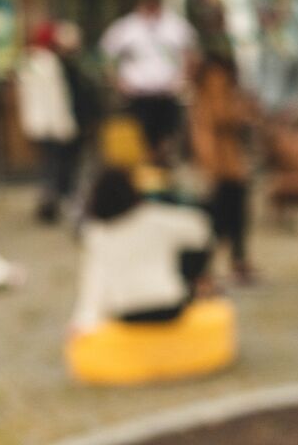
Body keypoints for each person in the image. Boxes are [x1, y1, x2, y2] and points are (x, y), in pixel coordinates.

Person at [70, 169, 211, 333]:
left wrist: (84, 321)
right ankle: (198, 287)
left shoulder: (97, 233)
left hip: (128, 310)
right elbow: (202, 228)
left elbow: (95, 281)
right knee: (191, 246)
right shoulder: (154, 218)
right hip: (169, 304)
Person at [99, 0, 198, 165]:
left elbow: (191, 55)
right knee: (140, 142)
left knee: (166, 142)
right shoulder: (126, 27)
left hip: (167, 95)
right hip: (138, 97)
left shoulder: (175, 25)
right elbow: (107, 57)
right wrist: (118, 82)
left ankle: (162, 180)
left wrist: (184, 80)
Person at [190, 54, 256, 282]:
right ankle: (208, 268)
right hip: (219, 165)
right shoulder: (212, 89)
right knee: (217, 219)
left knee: (234, 216)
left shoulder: (216, 87)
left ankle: (235, 260)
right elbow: (221, 116)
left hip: (231, 164)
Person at [17, 21, 82, 224]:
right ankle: (54, 203)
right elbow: (57, 100)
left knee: (47, 165)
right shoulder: (50, 64)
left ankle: (48, 202)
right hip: (54, 125)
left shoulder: (27, 62)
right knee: (57, 166)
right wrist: (66, 126)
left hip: (37, 124)